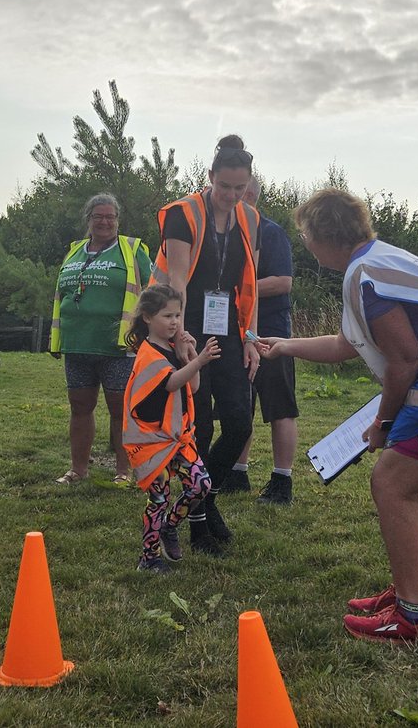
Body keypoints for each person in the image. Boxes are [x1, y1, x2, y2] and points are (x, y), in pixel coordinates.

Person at [260, 188, 418, 642]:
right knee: (400, 485)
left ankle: (411, 618)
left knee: (391, 484)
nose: (303, 242)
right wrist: (284, 346)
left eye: (305, 233)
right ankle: (409, 593)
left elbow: (403, 360)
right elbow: (347, 345)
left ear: (325, 235)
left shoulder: (365, 276)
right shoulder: (376, 260)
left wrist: (383, 423)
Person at [153, 134, 260, 556]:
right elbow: (176, 278)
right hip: (186, 325)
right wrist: (179, 337)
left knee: (240, 422)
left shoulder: (248, 218)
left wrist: (250, 338)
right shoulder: (183, 214)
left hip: (229, 331)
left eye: (240, 189)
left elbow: (247, 282)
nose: (231, 196)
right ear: (210, 177)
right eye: (224, 187)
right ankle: (198, 523)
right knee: (200, 426)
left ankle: (204, 498)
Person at [49, 194, 151, 485]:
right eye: (98, 216)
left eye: (110, 216)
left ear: (118, 220)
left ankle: (124, 471)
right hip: (78, 343)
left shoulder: (131, 250)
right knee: (80, 407)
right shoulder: (74, 252)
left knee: (120, 409)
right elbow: (62, 296)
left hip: (118, 346)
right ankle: (78, 470)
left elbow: (156, 288)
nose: (104, 221)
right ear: (89, 220)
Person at [123, 285, 219, 573]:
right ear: (148, 318)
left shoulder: (173, 349)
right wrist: (199, 359)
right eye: (167, 315)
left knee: (201, 484)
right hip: (151, 441)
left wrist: (188, 355)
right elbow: (170, 383)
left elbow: (194, 386)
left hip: (176, 439)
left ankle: (169, 527)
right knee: (159, 497)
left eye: (178, 315)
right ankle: (148, 558)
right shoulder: (148, 353)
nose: (175, 322)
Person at [227, 176, 299, 504]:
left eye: (236, 191)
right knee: (240, 405)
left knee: (279, 406)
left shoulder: (271, 232)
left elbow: (283, 282)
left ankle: (282, 480)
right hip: (235, 333)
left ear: (250, 195)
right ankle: (236, 472)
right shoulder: (225, 234)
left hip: (272, 333)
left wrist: (240, 285)